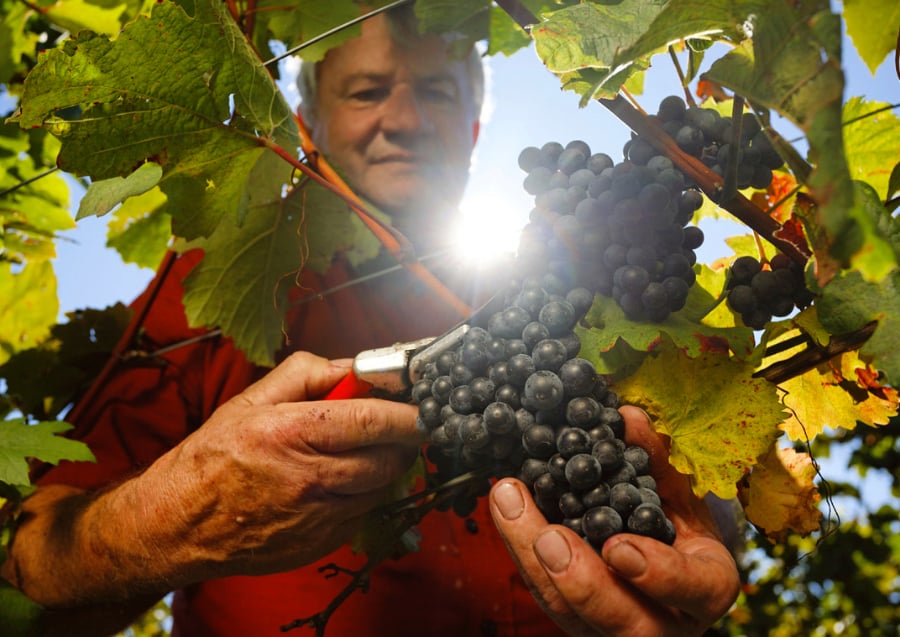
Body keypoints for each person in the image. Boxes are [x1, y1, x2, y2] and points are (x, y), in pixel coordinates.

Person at [1, 6, 740, 637]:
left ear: (476, 126)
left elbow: (690, 482)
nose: (406, 119)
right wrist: (167, 520)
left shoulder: (580, 301)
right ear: (305, 124)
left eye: (437, 92)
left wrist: (701, 527)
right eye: (368, 90)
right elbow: (22, 570)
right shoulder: (231, 287)